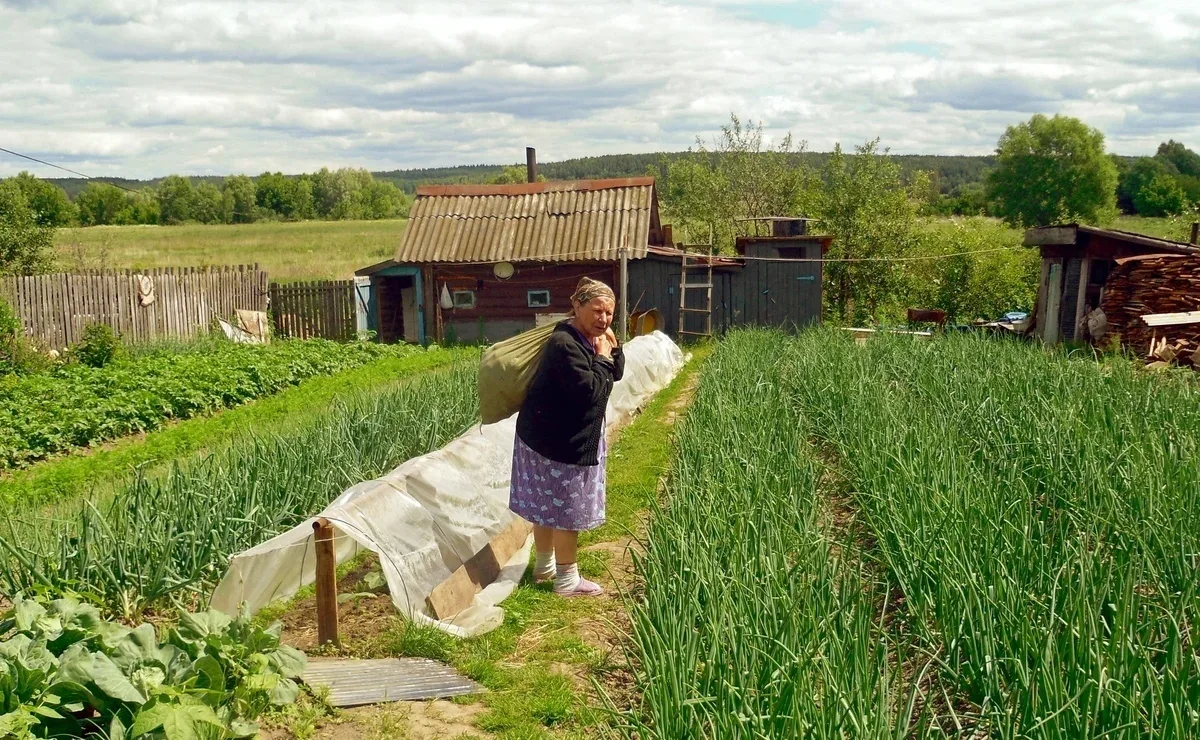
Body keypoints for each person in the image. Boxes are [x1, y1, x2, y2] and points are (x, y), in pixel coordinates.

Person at [510, 277, 624, 597]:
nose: (603, 319)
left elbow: (616, 374)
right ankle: (566, 579)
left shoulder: (589, 338)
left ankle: (545, 566)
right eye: (597, 311)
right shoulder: (565, 344)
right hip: (558, 441)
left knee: (546, 503)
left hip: (547, 435)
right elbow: (588, 392)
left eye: (609, 313)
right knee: (566, 509)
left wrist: (612, 349)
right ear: (577, 306)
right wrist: (602, 357)